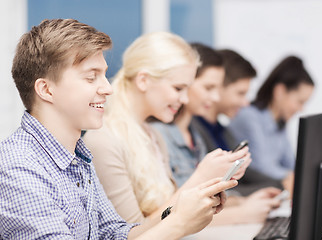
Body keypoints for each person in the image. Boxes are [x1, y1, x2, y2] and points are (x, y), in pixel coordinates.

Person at [0, 19, 238, 239]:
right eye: (91, 77)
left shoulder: (78, 157)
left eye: (103, 76)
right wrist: (179, 224)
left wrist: (181, 211)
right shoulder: (17, 167)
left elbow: (115, 233)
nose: (107, 88)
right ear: (46, 90)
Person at [83, 32, 250, 226]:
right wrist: (201, 177)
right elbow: (131, 233)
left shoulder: (154, 137)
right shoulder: (104, 141)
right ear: (143, 80)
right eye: (178, 89)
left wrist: (214, 181)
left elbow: (168, 213)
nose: (185, 99)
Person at [151, 43, 281, 225]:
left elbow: (207, 198)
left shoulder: (195, 136)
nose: (215, 98)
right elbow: (170, 213)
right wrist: (241, 212)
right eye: (208, 88)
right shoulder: (159, 137)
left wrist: (240, 202)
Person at [229, 55, 314, 181]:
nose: (301, 109)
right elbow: (262, 167)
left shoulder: (279, 123)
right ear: (279, 91)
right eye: (300, 101)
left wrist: (315, 174)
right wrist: (302, 177)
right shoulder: (248, 116)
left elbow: (291, 164)